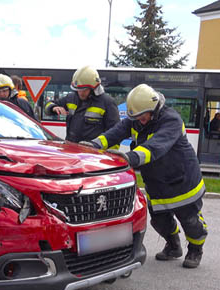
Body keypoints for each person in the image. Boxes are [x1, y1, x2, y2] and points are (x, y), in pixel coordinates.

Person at [85, 84, 208, 268]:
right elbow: (114, 133)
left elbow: (156, 146)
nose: (140, 121)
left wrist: (130, 157)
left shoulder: (171, 120)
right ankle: (174, 246)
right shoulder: (137, 118)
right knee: (159, 220)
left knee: (190, 221)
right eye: (137, 118)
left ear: (154, 108)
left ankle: (195, 250)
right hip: (157, 183)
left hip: (183, 182)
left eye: (143, 117)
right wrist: (91, 145)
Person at [44, 65, 119, 143]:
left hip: (92, 152)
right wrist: (53, 108)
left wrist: (107, 153)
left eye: (84, 89)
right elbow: (47, 107)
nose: (80, 93)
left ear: (94, 88)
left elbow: (114, 133)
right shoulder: (70, 98)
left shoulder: (107, 103)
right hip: (70, 148)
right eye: (78, 89)